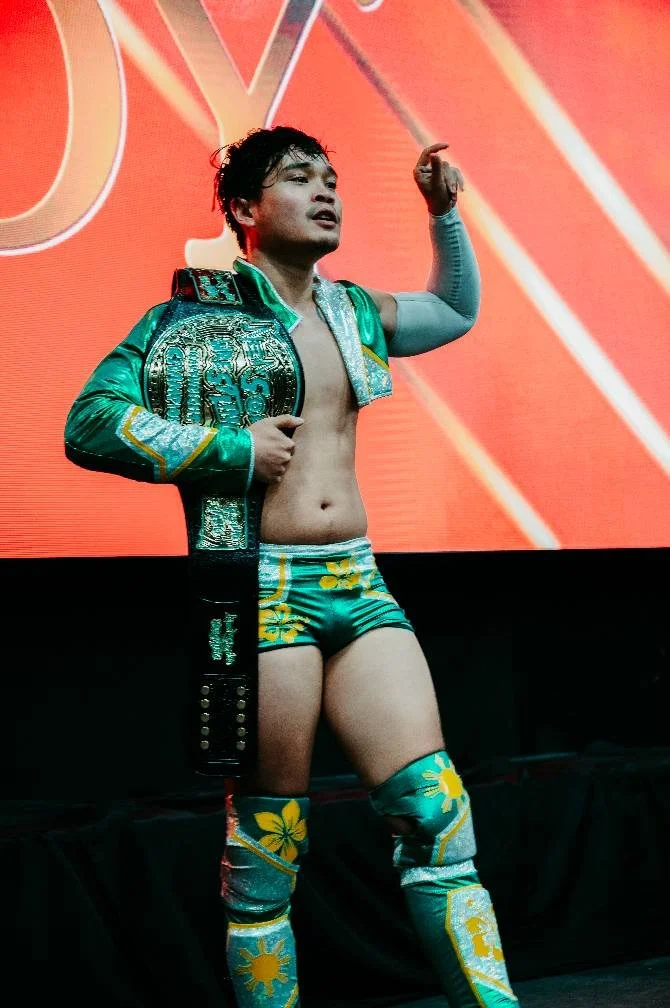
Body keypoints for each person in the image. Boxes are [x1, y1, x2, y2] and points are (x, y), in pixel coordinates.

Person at [64, 125, 519, 1007]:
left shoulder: (353, 312)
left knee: (436, 813)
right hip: (261, 590)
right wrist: (224, 448)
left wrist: (444, 213)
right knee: (267, 847)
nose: (326, 192)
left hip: (359, 583)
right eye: (299, 178)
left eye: (332, 178)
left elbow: (455, 310)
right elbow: (89, 423)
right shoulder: (189, 323)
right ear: (244, 209)